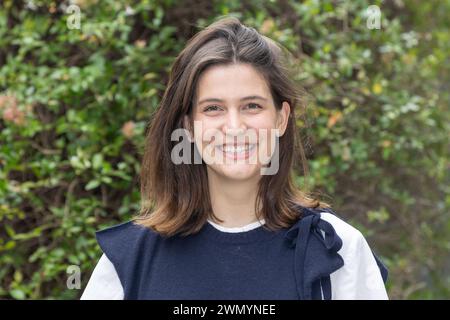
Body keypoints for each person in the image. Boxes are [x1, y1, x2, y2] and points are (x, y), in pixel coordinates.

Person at [81, 16, 388, 300]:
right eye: (213, 108)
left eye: (252, 106)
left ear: (281, 118)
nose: (234, 127)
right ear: (188, 125)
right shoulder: (130, 259)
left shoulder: (336, 249)